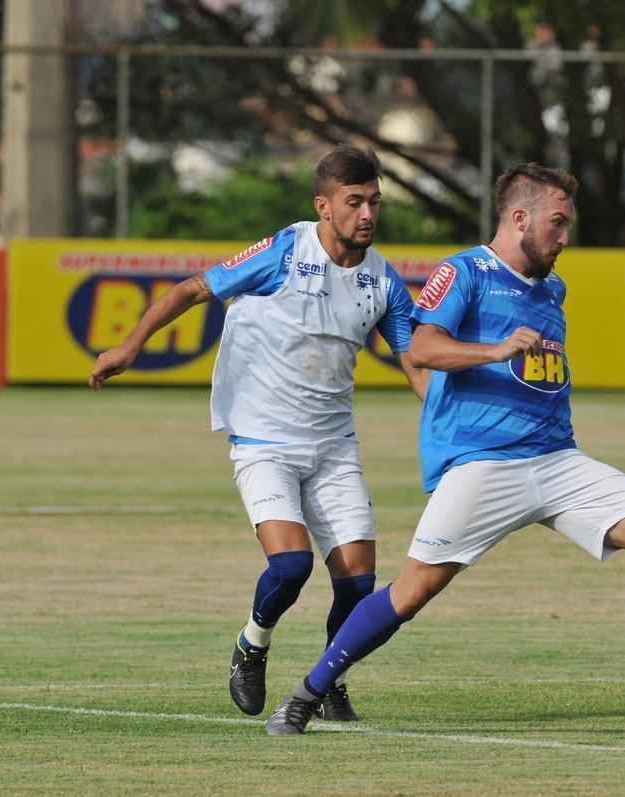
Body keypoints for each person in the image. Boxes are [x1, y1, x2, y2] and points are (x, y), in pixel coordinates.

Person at [264, 163, 625, 735]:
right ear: (520, 217)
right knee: (411, 592)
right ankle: (306, 694)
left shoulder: (553, 287)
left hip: (557, 461)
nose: (565, 236)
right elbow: (424, 348)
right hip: (484, 464)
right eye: (557, 223)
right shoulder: (465, 271)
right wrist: (496, 349)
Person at [89, 145, 427, 722]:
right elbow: (192, 289)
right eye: (355, 202)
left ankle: (327, 684)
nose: (368, 214)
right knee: (291, 568)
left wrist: (455, 421)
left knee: (358, 583)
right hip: (263, 441)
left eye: (374, 201)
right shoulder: (285, 251)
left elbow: (416, 360)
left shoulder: (384, 283)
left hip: (334, 445)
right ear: (324, 206)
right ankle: (252, 645)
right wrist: (130, 344)